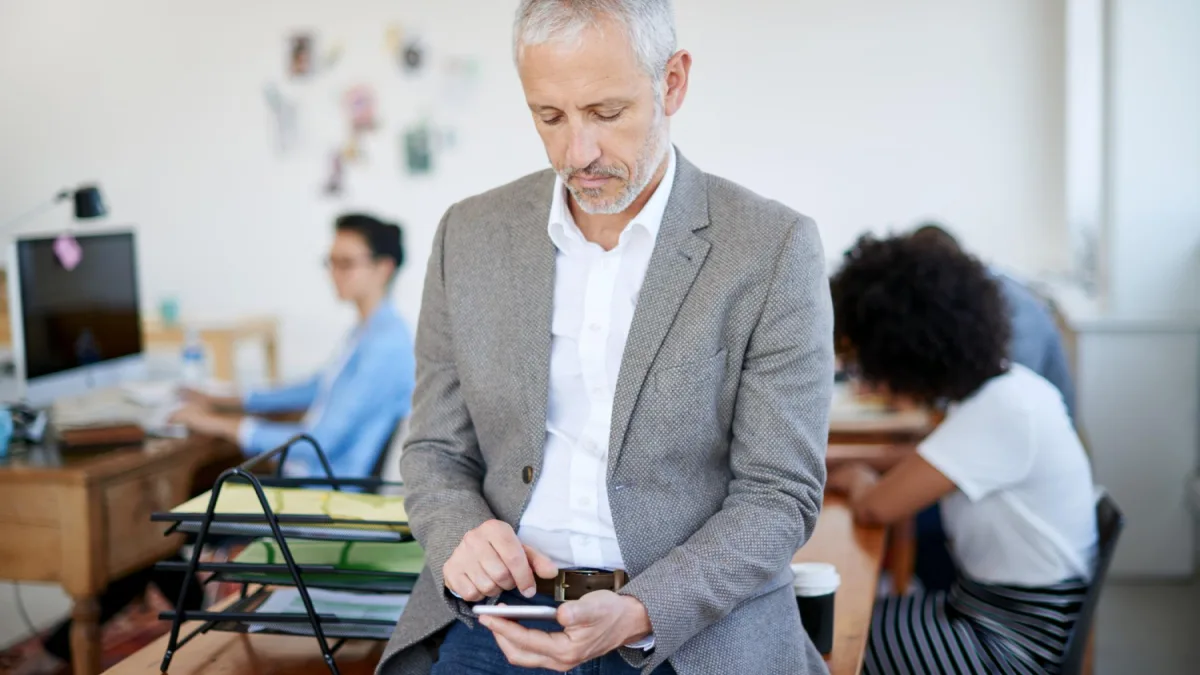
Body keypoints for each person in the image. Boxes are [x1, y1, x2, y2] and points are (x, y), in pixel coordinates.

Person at [376, 2, 834, 674]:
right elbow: (435, 451)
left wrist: (646, 607)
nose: (577, 153)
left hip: (691, 627)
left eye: (606, 113)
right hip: (504, 619)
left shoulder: (771, 249)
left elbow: (777, 494)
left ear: (672, 82)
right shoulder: (468, 235)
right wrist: (460, 535)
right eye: (549, 117)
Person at [827, 233, 1098, 674]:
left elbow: (877, 507)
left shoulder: (1000, 411)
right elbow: (926, 460)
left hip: (1014, 638)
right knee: (840, 618)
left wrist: (857, 477)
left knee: (830, 638)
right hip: (996, 610)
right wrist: (840, 463)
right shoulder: (1005, 391)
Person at [171, 213, 416, 480]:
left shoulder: (386, 345)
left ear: (384, 268)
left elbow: (319, 443)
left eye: (345, 263)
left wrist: (222, 424)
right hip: (316, 482)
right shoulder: (371, 330)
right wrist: (232, 400)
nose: (334, 274)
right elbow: (319, 387)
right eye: (330, 262)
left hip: (330, 496)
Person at [908, 222, 1078, 593]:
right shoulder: (983, 305)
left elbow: (988, 424)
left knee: (918, 518)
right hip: (1013, 466)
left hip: (1021, 484)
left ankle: (935, 600)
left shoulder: (1013, 321)